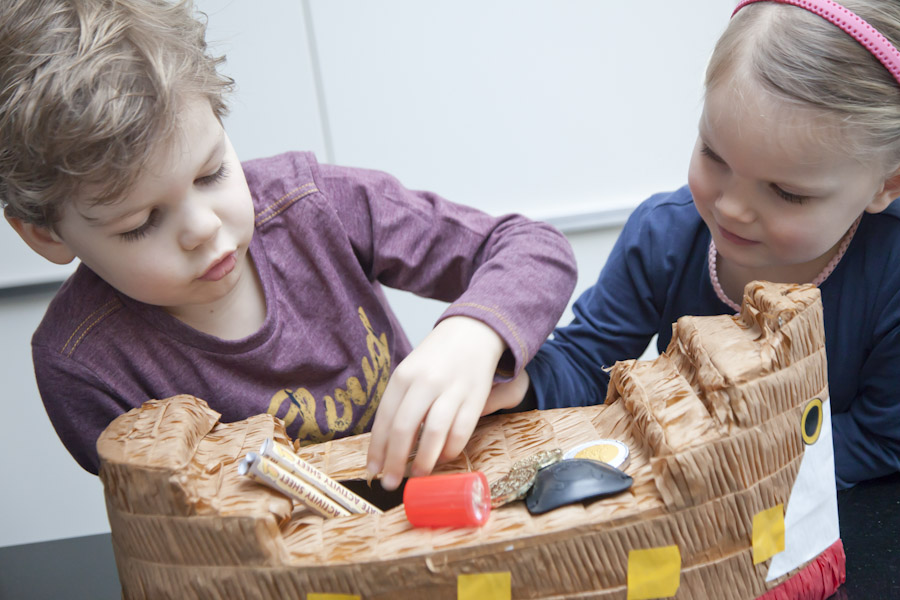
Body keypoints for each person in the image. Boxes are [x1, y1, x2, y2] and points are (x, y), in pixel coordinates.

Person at [0, 0, 577, 490]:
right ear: (45, 233)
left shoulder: (314, 203)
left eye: (211, 174)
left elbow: (532, 248)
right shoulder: (82, 364)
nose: (203, 227)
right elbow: (182, 531)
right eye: (140, 221)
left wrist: (474, 336)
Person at [486, 0, 900, 489]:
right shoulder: (662, 237)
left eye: (787, 193)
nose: (730, 209)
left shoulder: (890, 274)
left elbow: (881, 439)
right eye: (713, 155)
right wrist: (520, 383)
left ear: (886, 186)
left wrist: (725, 462)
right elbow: (585, 362)